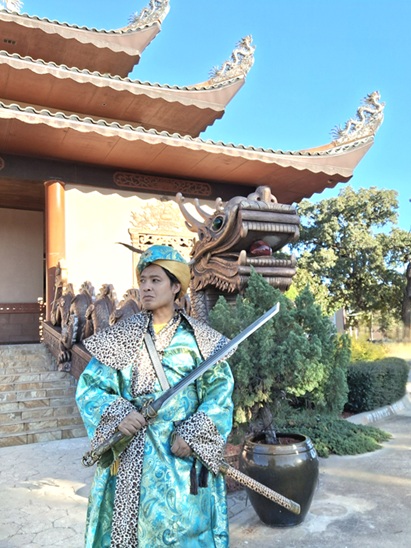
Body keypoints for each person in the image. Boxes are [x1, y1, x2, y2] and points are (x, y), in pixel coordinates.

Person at [76, 244, 234, 547]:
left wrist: (194, 433)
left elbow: (220, 393)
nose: (146, 287)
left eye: (155, 280)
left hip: (181, 457)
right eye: (143, 280)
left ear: (176, 287)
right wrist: (119, 414)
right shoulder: (122, 336)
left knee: (187, 533)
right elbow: (90, 387)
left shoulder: (200, 340)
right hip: (130, 457)